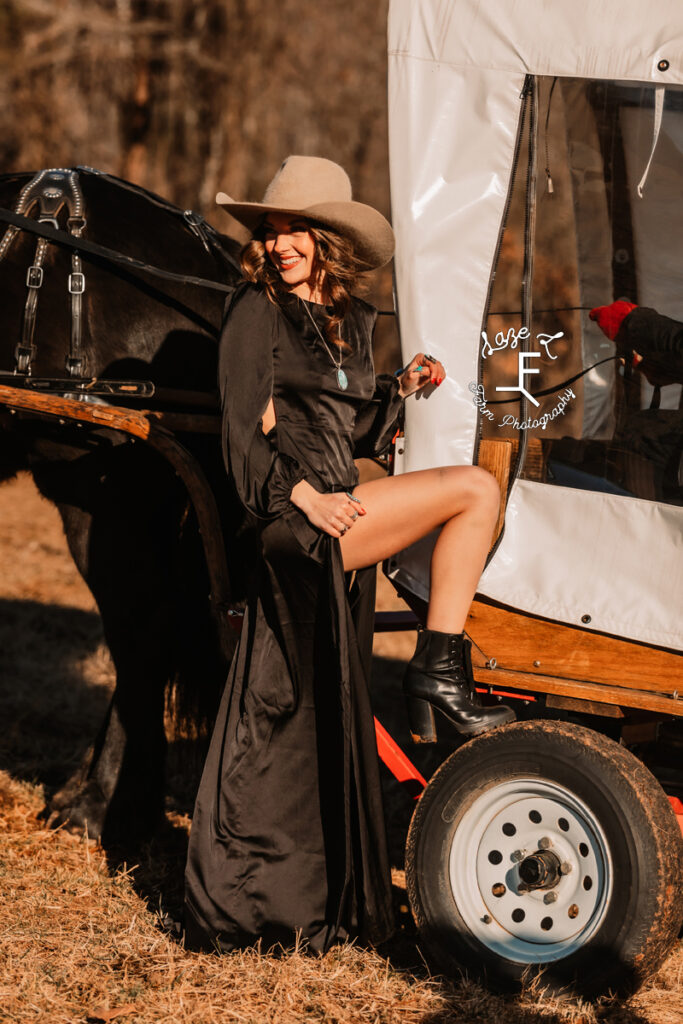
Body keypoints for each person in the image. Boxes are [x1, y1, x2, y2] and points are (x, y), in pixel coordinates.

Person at [183, 156, 515, 955]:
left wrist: (399, 390)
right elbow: (240, 437)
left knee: (306, 709)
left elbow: (350, 433)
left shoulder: (345, 320)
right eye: (272, 228)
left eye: (297, 227)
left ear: (327, 238)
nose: (282, 241)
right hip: (290, 516)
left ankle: (295, 886)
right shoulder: (253, 313)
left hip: (337, 503)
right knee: (474, 489)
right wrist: (305, 498)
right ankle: (436, 669)